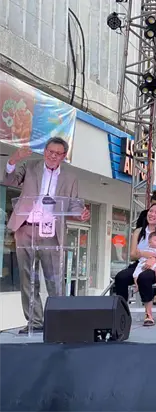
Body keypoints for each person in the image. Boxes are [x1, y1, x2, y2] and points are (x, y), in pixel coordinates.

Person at [3, 138, 90, 334]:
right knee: (28, 277)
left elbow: (73, 204)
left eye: (57, 154)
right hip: (26, 228)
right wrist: (13, 160)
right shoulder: (30, 166)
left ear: (64, 156)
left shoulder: (70, 177)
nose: (53, 156)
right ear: (44, 151)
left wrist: (81, 214)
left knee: (54, 279)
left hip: (51, 232)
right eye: (50, 152)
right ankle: (34, 321)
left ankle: (58, 321)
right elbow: (8, 181)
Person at [114, 203, 156, 326]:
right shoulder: (138, 231)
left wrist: (154, 259)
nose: (152, 214)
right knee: (120, 277)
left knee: (144, 277)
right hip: (139, 264)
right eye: (151, 211)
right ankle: (122, 312)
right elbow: (132, 255)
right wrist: (145, 254)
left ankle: (148, 314)